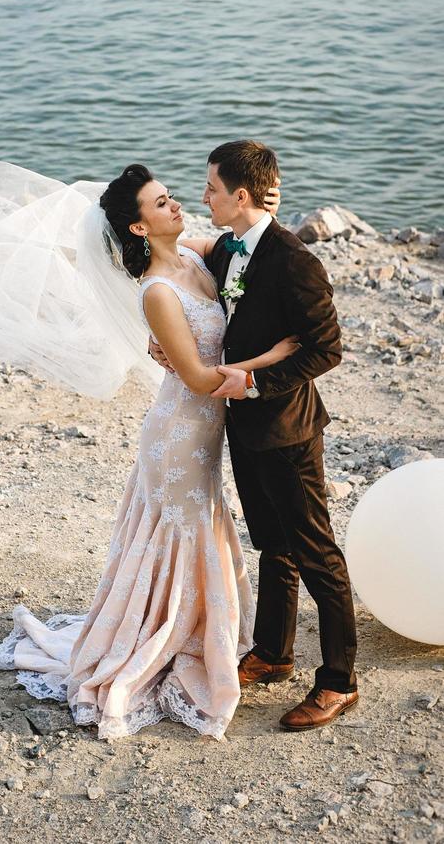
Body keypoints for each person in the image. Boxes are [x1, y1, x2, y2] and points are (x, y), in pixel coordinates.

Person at [0, 164, 298, 740]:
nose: (177, 206)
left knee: (198, 527)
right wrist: (275, 356)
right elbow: (202, 380)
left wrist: (268, 203)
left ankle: (196, 628)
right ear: (138, 228)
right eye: (161, 205)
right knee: (183, 532)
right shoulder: (158, 290)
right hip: (179, 434)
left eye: (173, 197)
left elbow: (244, 237)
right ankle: (161, 637)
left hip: (203, 435)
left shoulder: (196, 256)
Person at [150, 141, 359, 731]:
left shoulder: (295, 262)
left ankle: (340, 682)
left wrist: (254, 385)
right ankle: (273, 653)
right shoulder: (229, 251)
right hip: (242, 430)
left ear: (240, 195)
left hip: (288, 432)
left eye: (211, 188)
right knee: (273, 544)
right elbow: (213, 309)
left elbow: (326, 350)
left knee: (318, 555)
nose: (203, 197)